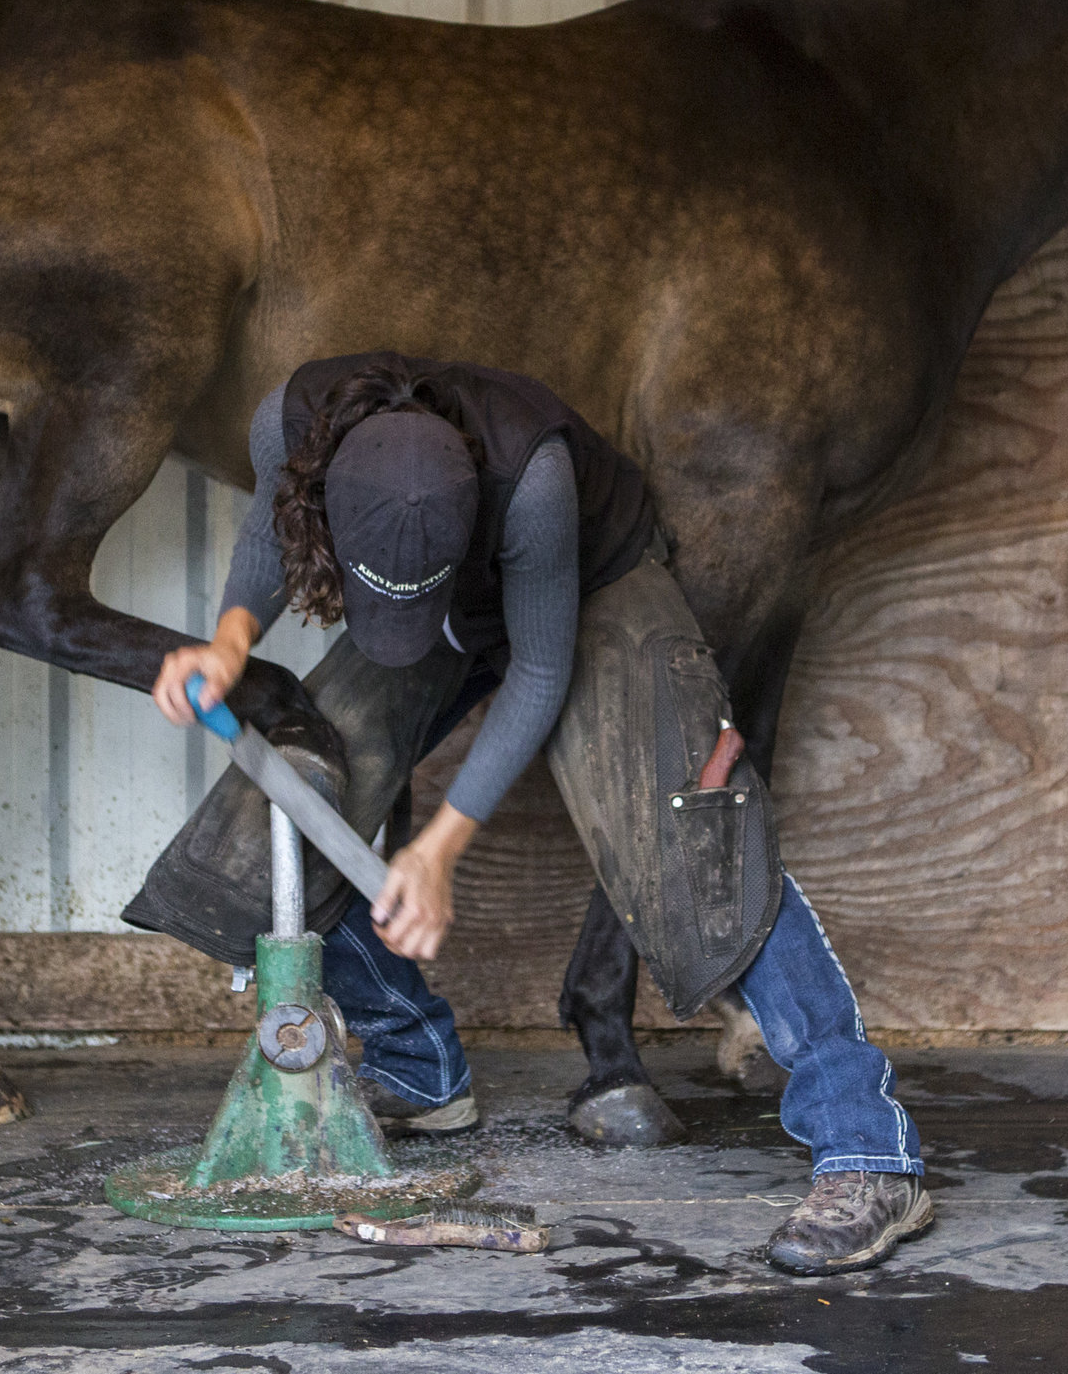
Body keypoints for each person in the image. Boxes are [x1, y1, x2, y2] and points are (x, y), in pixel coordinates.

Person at [124, 352, 929, 1275]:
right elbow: (272, 531)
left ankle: (870, 1149)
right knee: (296, 794)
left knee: (697, 841)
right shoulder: (289, 425)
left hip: (594, 589)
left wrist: (440, 846)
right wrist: (228, 643)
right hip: (451, 601)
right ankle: (418, 1061)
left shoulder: (535, 478)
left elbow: (539, 671)